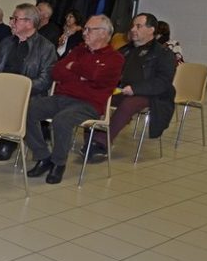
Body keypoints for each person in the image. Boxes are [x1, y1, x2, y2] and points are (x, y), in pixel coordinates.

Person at [24, 15, 124, 184]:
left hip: (89, 104)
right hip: (62, 97)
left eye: (89, 30)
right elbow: (57, 72)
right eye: (85, 29)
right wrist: (81, 74)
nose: (84, 33)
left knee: (62, 120)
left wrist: (74, 67)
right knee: (27, 110)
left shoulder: (115, 58)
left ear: (104, 33)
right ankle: (43, 156)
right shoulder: (79, 50)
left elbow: (96, 76)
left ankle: (58, 163)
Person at [85, 13, 176, 157]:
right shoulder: (125, 50)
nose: (133, 29)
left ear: (151, 30)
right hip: (122, 90)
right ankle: (91, 137)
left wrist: (135, 89)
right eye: (133, 26)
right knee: (94, 97)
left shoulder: (164, 54)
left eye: (138, 26)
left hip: (152, 96)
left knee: (128, 104)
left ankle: (102, 142)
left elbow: (163, 82)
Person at [0, 3, 57, 160]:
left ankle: (9, 140)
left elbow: (45, 80)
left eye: (15, 19)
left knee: (14, 102)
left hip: (30, 94)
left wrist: (19, 89)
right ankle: (0, 136)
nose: (11, 22)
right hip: (3, 91)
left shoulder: (46, 48)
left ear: (29, 23)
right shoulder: (7, 43)